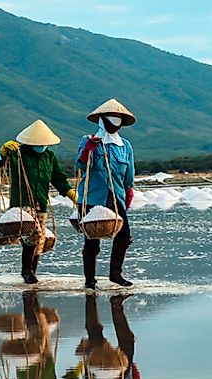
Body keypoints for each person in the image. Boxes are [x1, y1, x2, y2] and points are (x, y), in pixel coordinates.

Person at [0, 120, 78, 284]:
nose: (41, 145)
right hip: (22, 201)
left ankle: (32, 272)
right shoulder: (19, 153)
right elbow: (2, 163)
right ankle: (26, 271)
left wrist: (71, 194)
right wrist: (5, 151)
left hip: (40, 202)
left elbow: (58, 178)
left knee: (38, 240)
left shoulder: (49, 156)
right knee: (36, 233)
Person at [75, 99, 137, 290]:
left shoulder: (125, 146)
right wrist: (88, 150)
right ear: (102, 121)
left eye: (118, 120)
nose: (115, 123)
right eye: (111, 120)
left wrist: (128, 191)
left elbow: (129, 173)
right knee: (92, 240)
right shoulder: (89, 140)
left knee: (124, 236)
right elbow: (81, 165)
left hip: (115, 197)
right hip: (93, 198)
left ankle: (115, 273)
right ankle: (90, 279)